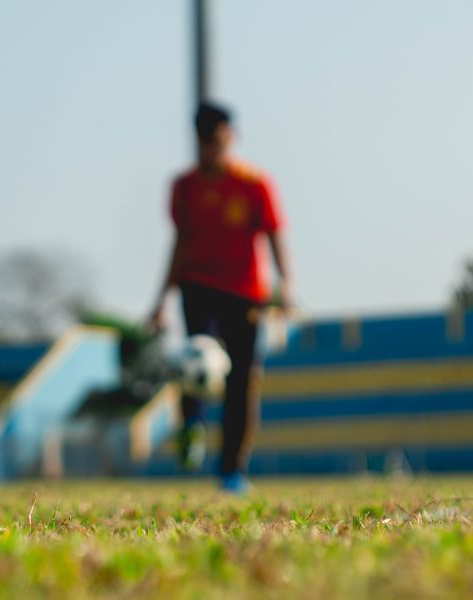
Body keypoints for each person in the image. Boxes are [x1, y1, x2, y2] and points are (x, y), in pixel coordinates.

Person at [149, 101, 294, 494]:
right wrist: (160, 300)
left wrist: (287, 287)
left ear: (231, 136)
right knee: (196, 358)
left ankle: (232, 469)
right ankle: (191, 425)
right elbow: (178, 243)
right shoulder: (185, 187)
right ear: (196, 140)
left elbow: (274, 233)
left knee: (242, 383)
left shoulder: (253, 184)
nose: (213, 148)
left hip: (246, 295)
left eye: (219, 139)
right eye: (205, 141)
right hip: (198, 287)